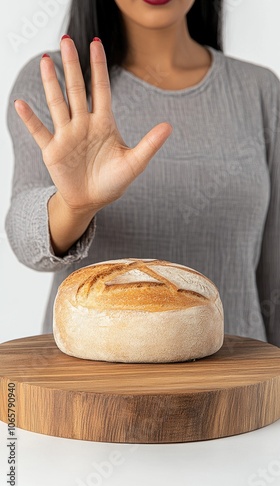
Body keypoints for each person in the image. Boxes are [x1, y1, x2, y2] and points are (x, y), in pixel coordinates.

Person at [5, 0, 280, 345]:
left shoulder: (260, 91)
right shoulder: (57, 80)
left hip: (238, 384)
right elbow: (24, 237)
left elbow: (274, 271)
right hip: (93, 386)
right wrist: (74, 205)